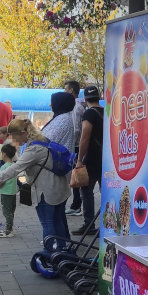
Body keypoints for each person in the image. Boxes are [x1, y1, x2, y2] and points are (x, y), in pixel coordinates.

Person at [0, 119, 71, 249]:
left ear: (23, 133)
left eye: (13, 136)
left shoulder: (34, 149)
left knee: (47, 223)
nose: (12, 140)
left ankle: (49, 254)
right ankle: (62, 249)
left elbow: (15, 168)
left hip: (46, 190)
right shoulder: (43, 140)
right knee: (57, 220)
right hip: (60, 187)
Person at [73, 85, 104, 236]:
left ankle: (89, 224)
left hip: (92, 157)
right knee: (107, 192)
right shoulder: (108, 113)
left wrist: (79, 159)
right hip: (107, 158)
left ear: (85, 99)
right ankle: (108, 223)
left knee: (86, 191)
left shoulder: (89, 114)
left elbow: (85, 137)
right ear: (99, 97)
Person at [64, 80, 86, 217]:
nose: (64, 91)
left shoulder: (76, 107)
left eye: (66, 89)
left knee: (76, 175)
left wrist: (70, 143)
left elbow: (77, 129)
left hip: (76, 146)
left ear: (71, 90)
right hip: (77, 145)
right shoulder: (79, 106)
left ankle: (76, 205)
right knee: (76, 175)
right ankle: (76, 204)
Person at [0, 144, 18, 238]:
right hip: (13, 191)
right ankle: (10, 228)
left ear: (4, 154)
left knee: (6, 211)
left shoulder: (4, 167)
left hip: (6, 192)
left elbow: (2, 181)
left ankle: (8, 230)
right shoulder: (14, 165)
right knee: (11, 210)